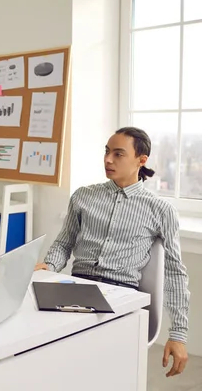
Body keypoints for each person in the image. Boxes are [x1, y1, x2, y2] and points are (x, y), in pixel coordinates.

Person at [36, 127, 190, 377]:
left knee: (88, 359)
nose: (108, 159)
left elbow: (174, 273)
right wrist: (49, 266)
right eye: (107, 152)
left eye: (118, 154)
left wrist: (178, 334)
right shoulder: (83, 196)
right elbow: (65, 243)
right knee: (33, 330)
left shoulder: (160, 209)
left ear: (141, 160)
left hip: (120, 293)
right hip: (77, 285)